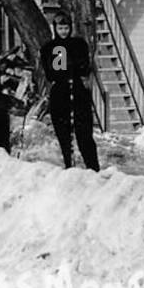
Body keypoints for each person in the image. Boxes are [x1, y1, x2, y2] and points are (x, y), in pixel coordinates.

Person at [40, 10, 100, 171]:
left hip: (78, 92)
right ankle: (68, 164)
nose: (64, 32)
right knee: (63, 130)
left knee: (84, 132)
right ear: (55, 29)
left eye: (66, 28)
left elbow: (85, 67)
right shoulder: (49, 48)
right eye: (60, 29)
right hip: (61, 92)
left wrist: (77, 68)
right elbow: (50, 72)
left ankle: (92, 167)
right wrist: (63, 72)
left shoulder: (79, 44)